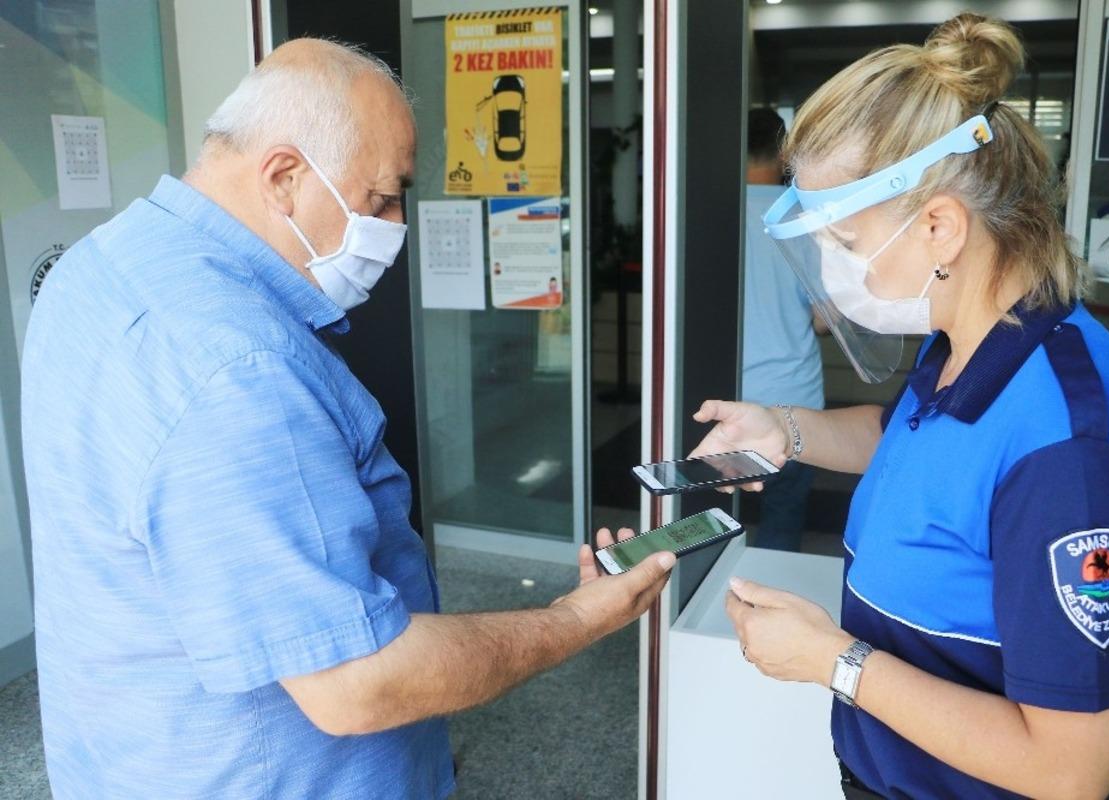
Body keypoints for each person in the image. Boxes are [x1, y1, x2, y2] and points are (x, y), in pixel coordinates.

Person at [21, 39, 672, 799]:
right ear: (285, 176)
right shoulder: (237, 370)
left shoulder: (102, 263)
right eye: (382, 198)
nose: (395, 227)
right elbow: (357, 683)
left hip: (130, 754)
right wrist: (577, 619)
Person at [691, 14, 1109, 799]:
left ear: (941, 226)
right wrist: (781, 430)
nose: (833, 269)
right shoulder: (972, 338)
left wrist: (833, 661)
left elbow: (1070, 770)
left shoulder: (1074, 459)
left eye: (845, 243)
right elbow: (912, 442)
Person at [741, 107, 824, 552]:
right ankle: (769, 607)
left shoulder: (707, 215)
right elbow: (824, 318)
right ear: (783, 152)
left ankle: (697, 608)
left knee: (707, 519)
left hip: (722, 402)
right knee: (783, 517)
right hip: (794, 401)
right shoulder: (799, 220)